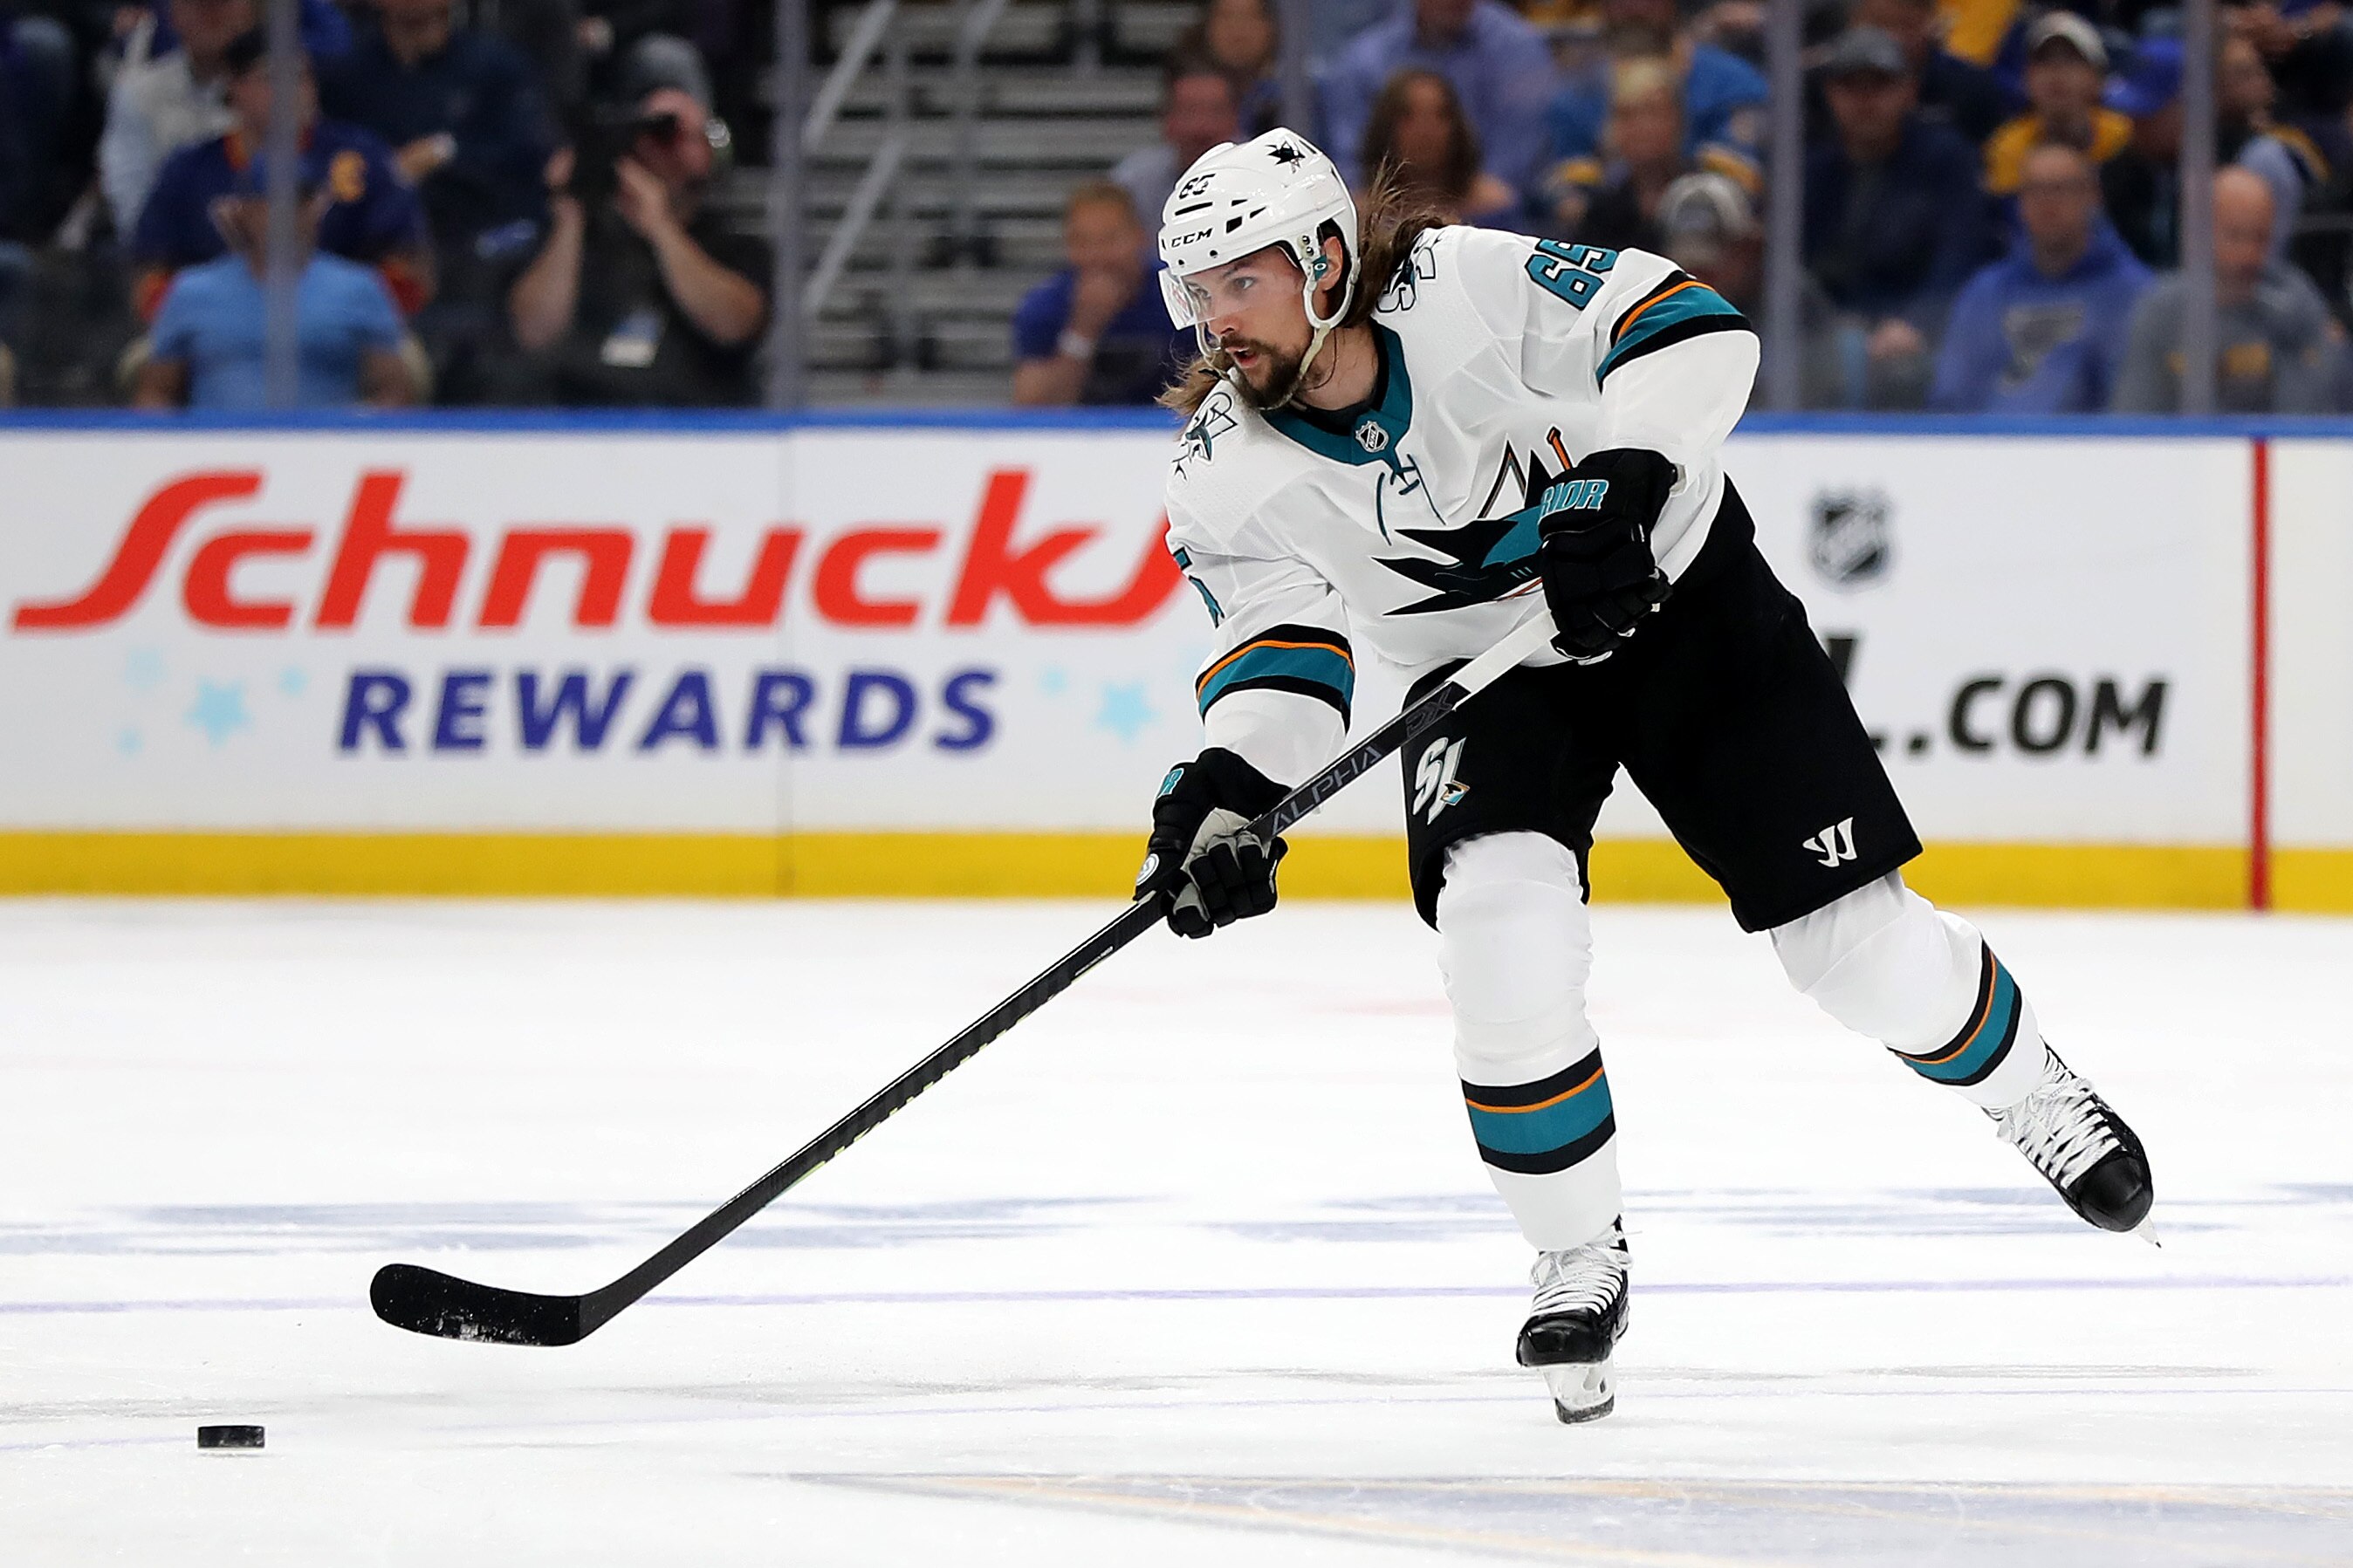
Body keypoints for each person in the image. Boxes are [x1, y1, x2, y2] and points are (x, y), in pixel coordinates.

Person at [1141, 127, 2157, 1424]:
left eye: (1244, 281)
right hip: (1486, 675)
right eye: (1201, 293)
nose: (1219, 321)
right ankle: (1576, 1255)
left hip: (1676, 595)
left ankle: (2033, 1095)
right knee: (1498, 936)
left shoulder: (1461, 285)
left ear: (1327, 257)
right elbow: (1281, 652)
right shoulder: (1224, 472)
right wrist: (1229, 785)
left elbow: (1692, 327)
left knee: (1853, 951)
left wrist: (1623, 480)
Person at [130, 30, 433, 322]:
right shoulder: (190, 169)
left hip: (345, 331)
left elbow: (407, 262)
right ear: (234, 86)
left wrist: (350, 310)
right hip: (214, 335)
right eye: (273, 77)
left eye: (302, 76)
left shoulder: (358, 158)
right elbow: (150, 271)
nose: (294, 90)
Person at [503, 83, 767, 406]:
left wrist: (659, 227)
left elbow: (734, 324)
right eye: (653, 132)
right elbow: (534, 332)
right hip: (582, 421)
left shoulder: (737, 247)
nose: (660, 148)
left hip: (695, 426)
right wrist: (571, 213)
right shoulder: (580, 245)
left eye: (676, 134)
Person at [1803, 26, 1990, 408]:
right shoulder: (1811, 172)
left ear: (1909, 90)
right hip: (1828, 332)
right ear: (1831, 94)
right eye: (1851, 87)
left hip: (1919, 335)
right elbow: (1795, 268)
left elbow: (1960, 256)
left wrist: (1918, 321)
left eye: (1880, 85)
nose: (1865, 100)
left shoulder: (1947, 161)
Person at [134, 177, 417, 408]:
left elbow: (393, 390)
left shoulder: (358, 288)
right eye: (268, 202)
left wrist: (359, 438)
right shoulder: (192, 291)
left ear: (313, 210)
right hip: (216, 457)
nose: (284, 214)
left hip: (327, 456)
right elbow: (157, 392)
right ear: (244, 210)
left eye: (299, 203)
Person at [1931, 144, 2151, 412]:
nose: (2047, 203)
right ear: (2020, 204)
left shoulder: (2135, 294)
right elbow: (1951, 395)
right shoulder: (1986, 291)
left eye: (2061, 189)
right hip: (1985, 447)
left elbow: (2132, 407)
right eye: (2035, 190)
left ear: (2093, 196)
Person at [2113, 165, 2346, 413]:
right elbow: (2136, 418)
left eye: (2260, 237)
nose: (2249, 254)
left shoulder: (2293, 303)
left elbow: (2318, 414)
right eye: (2236, 236)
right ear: (2200, 233)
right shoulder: (2161, 312)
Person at [1320, 0, 1557, 196]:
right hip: (1385, 208)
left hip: (1488, 215)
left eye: (1442, 115)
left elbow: (1518, 163)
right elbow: (1350, 165)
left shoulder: (1519, 50)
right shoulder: (1362, 62)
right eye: (1407, 115)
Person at [1545, 58, 1757, 252]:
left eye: (1653, 112)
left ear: (1679, 119)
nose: (1641, 127)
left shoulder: (1716, 194)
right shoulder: (1601, 212)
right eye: (1627, 115)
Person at [1010, 181, 1188, 406]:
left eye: (1109, 240)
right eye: (1082, 242)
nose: (1096, 255)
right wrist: (1082, 330)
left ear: (1140, 237)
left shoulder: (1178, 296)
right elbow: (1032, 411)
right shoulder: (1045, 308)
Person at [1544, 0, 1768, 170]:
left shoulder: (1732, 84)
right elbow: (1562, 193)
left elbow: (1744, 182)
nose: (1633, 7)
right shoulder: (1574, 95)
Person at [99, 0, 253, 237]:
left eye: (223, 5)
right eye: (198, 5)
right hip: (167, 252)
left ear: (247, 10)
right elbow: (131, 204)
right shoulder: (138, 92)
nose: (211, 17)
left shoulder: (277, 91)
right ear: (173, 13)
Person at [1982, 12, 2132, 199]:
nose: (2056, 72)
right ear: (2026, 78)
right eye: (2044, 60)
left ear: (2098, 77)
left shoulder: (2122, 138)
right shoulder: (2007, 147)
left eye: (2071, 60)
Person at [1356, 66, 1524, 228]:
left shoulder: (1495, 206)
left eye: (1440, 115)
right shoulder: (1358, 217)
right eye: (1408, 116)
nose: (1426, 130)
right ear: (1385, 126)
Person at [1847, 0, 2013, 145]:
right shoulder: (1830, 82)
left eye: (1905, 25)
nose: (1893, 38)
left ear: (1931, 24)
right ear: (1856, 23)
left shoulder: (1972, 86)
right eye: (1880, 25)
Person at [1110, 57, 1242, 234]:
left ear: (1236, 118)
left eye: (1216, 111)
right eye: (1190, 112)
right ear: (1166, 119)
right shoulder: (1133, 183)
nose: (1202, 127)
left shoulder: (1269, 174)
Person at [1185, 0, 1282, 138]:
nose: (1238, 31)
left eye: (1250, 17)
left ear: (1272, 26)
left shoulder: (1299, 94)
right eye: (1226, 17)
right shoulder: (1185, 88)